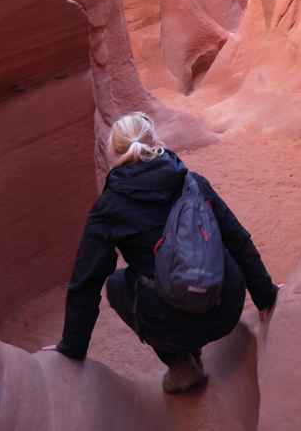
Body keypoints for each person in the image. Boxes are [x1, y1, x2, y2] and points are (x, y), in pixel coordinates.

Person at [49, 111, 279, 393]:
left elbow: (86, 281)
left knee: (118, 285)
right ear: (155, 141)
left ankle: (181, 365)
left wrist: (73, 347)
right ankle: (190, 346)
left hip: (170, 325)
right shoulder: (191, 182)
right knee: (220, 244)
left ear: (114, 153)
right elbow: (237, 239)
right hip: (225, 307)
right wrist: (266, 297)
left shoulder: (109, 208)